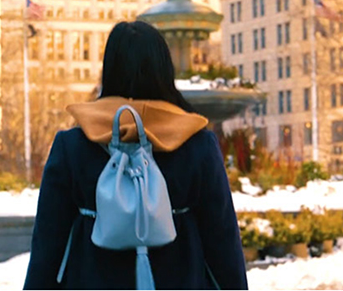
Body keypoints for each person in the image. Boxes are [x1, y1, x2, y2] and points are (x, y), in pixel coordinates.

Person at [24, 21, 248, 289]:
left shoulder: (71, 146)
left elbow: (48, 242)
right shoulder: (198, 145)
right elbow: (222, 240)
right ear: (165, 70)